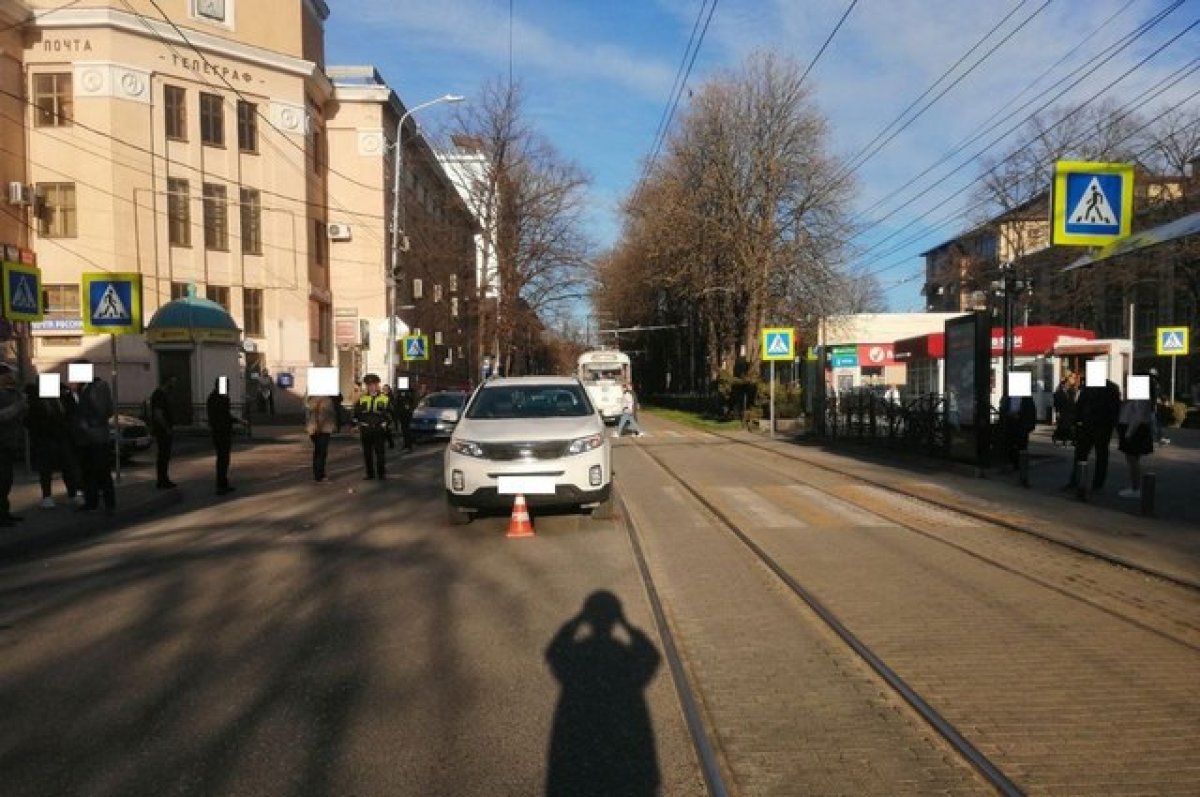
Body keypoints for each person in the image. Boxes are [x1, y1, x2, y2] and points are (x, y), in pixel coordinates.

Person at [25, 379, 81, 509]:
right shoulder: (37, 402)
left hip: (61, 438)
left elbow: (70, 414)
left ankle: (71, 494)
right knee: (46, 469)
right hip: (45, 439)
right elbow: (31, 421)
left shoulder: (60, 399)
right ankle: (47, 497)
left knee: (68, 467)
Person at [1064, 374, 1121, 493]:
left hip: (1102, 426)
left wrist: (1113, 424)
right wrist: (1076, 421)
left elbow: (1115, 409)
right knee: (1082, 454)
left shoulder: (1111, 388)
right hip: (1087, 426)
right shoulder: (1089, 386)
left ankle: (1096, 483)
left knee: (1100, 455)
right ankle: (1078, 480)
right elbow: (1080, 404)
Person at [73, 367, 116, 514]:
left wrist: (88, 423)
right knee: (98, 471)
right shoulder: (95, 387)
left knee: (93, 471)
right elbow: (109, 410)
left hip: (91, 437)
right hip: (97, 436)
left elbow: (101, 410)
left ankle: (95, 503)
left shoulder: (92, 389)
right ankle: (103, 502)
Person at [0, 364, 28, 526]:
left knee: (6, 480)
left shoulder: (10, 393)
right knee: (2, 480)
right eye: (7, 375)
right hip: (1, 443)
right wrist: (18, 407)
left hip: (9, 442)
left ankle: (5, 512)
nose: (11, 378)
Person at [1116, 393, 1154, 499]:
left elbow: (1138, 416)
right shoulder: (1135, 396)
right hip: (1133, 428)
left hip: (1134, 429)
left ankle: (1136, 488)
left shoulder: (1140, 397)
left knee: (1132, 458)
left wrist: (1129, 432)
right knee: (1132, 458)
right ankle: (1135, 486)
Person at [354, 373, 391, 479]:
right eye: (369, 385)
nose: (371, 387)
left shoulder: (385, 399)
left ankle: (381, 473)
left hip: (379, 429)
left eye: (373, 384)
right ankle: (370, 474)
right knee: (367, 454)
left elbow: (390, 414)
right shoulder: (362, 399)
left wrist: (386, 424)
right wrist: (355, 424)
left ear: (377, 385)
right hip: (365, 429)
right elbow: (357, 413)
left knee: (380, 453)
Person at [206, 378, 236, 496]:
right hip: (220, 432)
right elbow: (223, 415)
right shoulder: (217, 399)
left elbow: (226, 414)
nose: (228, 388)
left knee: (224, 458)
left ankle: (223, 483)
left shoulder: (217, 398)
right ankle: (221, 485)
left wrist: (237, 420)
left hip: (222, 431)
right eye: (226, 386)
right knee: (222, 459)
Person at [149, 375, 177, 489]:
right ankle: (162, 481)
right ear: (168, 381)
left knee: (164, 456)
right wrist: (167, 428)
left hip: (164, 430)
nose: (175, 385)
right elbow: (158, 414)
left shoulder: (162, 394)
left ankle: (164, 479)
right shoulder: (159, 395)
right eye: (173, 382)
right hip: (162, 431)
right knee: (163, 456)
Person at [305, 391, 339, 482]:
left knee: (318, 451)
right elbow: (330, 414)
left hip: (313, 429)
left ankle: (318, 474)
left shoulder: (310, 399)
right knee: (321, 452)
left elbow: (308, 414)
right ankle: (320, 474)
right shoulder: (327, 400)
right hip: (323, 429)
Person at [1002, 392, 1037, 478]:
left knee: (1022, 446)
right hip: (1010, 423)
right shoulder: (1008, 396)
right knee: (1010, 443)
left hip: (1022, 424)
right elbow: (1004, 407)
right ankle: (1012, 462)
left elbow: (1032, 411)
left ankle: (1021, 467)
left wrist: (1031, 425)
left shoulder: (1027, 398)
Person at [1052, 372, 1078, 446]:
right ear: (1063, 385)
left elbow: (1073, 401)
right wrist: (1057, 412)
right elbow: (1056, 403)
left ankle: (1070, 439)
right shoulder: (1059, 392)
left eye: (1068, 385)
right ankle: (1061, 438)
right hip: (1062, 412)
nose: (1067, 386)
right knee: (1063, 427)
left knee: (1070, 426)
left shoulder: (1071, 391)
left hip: (1070, 412)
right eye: (1066, 384)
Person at [1148, 368, 1169, 446]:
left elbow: (1159, 393)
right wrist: (1162, 400)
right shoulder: (1153, 383)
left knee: (1155, 422)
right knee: (1153, 423)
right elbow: (1157, 393)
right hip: (1150, 407)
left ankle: (1159, 437)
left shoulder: (1154, 383)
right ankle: (1157, 438)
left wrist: (1163, 400)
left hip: (1151, 406)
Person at [380, 384, 396, 449]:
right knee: (385, 430)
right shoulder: (381, 396)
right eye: (383, 389)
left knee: (385, 430)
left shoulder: (390, 397)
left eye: (386, 389)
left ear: (389, 390)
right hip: (382, 415)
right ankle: (390, 443)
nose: (384, 390)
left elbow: (392, 407)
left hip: (388, 415)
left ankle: (389, 443)